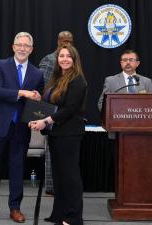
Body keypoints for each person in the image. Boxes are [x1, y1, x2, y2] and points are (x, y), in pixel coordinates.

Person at [0, 32, 44, 223]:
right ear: (13, 47)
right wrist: (21, 92)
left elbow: (36, 102)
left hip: (21, 128)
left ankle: (15, 208)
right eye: (19, 45)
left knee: (17, 169)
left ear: (31, 49)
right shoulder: (0, 65)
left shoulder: (37, 73)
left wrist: (38, 98)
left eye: (26, 46)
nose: (22, 48)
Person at [30, 45, 87, 225]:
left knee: (70, 177)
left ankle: (73, 217)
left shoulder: (78, 80)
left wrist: (45, 121)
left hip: (69, 134)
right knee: (59, 176)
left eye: (68, 56)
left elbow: (69, 110)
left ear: (74, 59)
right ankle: (59, 213)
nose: (64, 59)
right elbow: (50, 104)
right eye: (61, 56)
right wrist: (37, 109)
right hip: (56, 134)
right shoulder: (57, 78)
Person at [39, 31, 73, 195]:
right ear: (58, 41)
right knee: (51, 154)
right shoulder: (49, 59)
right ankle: (52, 187)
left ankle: (63, 185)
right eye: (64, 40)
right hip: (52, 112)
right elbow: (43, 87)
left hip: (69, 115)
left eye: (70, 40)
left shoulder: (72, 59)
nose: (66, 42)